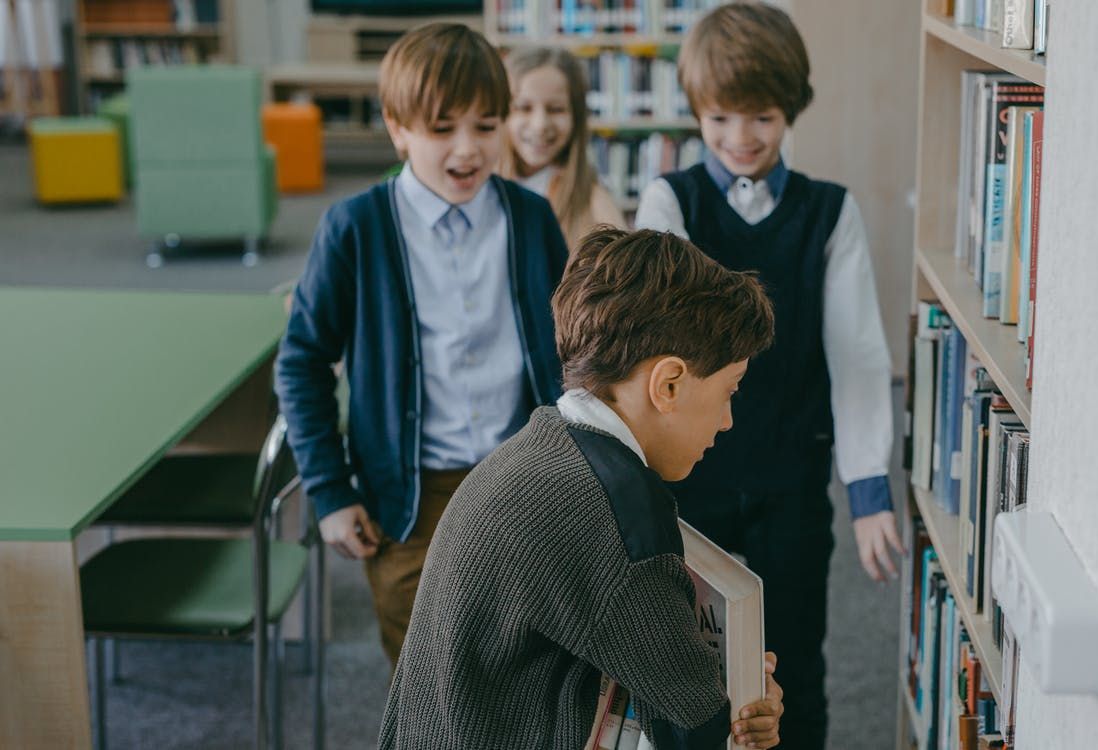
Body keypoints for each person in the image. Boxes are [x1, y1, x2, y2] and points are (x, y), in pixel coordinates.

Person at [378, 227, 783, 749]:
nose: (727, 421)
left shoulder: (544, 444)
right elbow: (703, 724)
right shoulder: (618, 509)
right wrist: (748, 698)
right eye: (729, 391)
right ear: (669, 384)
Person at [633, 4, 902, 749]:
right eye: (720, 118)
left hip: (792, 477)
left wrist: (870, 493)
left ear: (790, 111)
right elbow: (662, 343)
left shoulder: (829, 212)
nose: (740, 138)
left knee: (796, 669)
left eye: (761, 117)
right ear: (696, 112)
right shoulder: (667, 202)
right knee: (685, 671)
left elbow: (857, 356)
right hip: (690, 481)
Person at [275, 22, 569, 670]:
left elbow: (569, 352)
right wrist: (329, 489)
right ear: (397, 127)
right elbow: (302, 361)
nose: (467, 149)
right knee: (427, 683)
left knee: (524, 667)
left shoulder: (530, 220)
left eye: (486, 126)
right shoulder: (355, 227)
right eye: (442, 129)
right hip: (409, 504)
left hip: (519, 484)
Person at [499, 46, 625, 250]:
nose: (540, 124)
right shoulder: (480, 191)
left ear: (576, 117)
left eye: (556, 109)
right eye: (524, 108)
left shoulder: (596, 202)